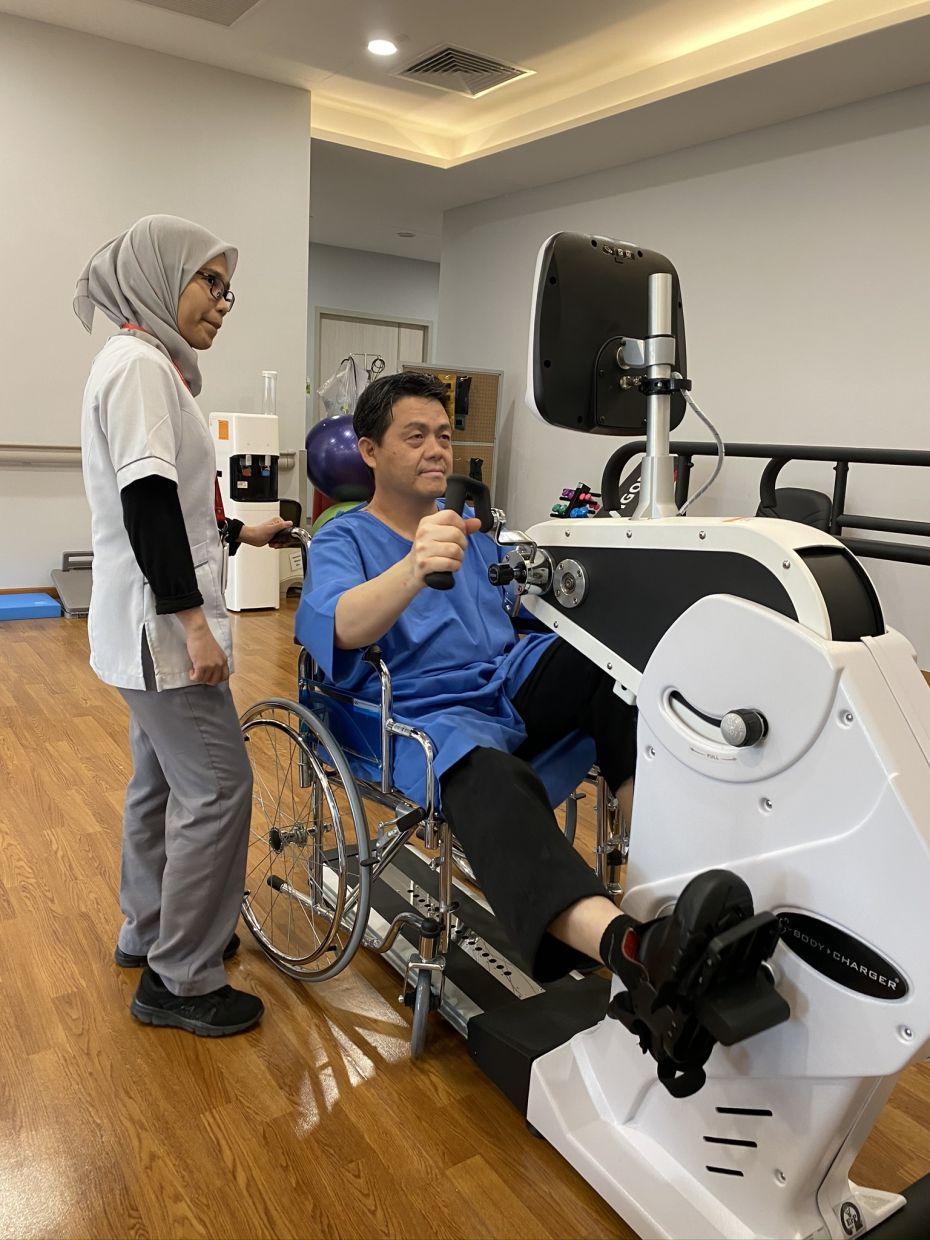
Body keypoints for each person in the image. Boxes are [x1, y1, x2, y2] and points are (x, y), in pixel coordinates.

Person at [296, 370, 645, 984]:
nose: (435, 450)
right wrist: (411, 567)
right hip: (422, 711)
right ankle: (627, 944)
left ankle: (656, 856)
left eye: (442, 436)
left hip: (503, 685)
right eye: (414, 437)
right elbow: (339, 624)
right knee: (484, 768)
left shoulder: (473, 535)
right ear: (370, 451)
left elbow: (521, 616)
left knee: (611, 668)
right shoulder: (342, 537)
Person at [75, 214, 291, 1037]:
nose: (223, 301)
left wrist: (243, 532)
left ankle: (148, 931)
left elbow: (181, 509)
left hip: (140, 624)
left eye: (227, 286)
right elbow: (148, 503)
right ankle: (182, 977)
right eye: (209, 281)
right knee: (219, 786)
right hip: (160, 629)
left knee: (160, 780)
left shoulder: (144, 363)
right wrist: (193, 627)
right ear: (159, 277)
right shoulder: (138, 368)